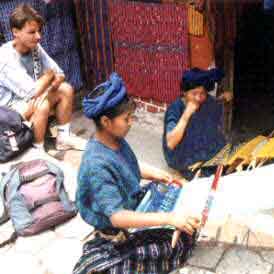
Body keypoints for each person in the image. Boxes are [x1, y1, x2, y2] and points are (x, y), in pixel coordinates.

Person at [74, 73, 200, 274]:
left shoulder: (114, 139)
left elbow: (128, 166)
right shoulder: (96, 164)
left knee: (181, 207)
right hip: (116, 225)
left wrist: (156, 174)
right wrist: (168, 219)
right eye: (126, 118)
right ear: (106, 121)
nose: (131, 122)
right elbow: (117, 217)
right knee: (177, 244)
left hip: (131, 201)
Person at [0, 4, 86, 151]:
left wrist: (50, 81)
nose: (38, 37)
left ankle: (63, 138)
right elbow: (32, 90)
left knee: (65, 89)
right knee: (43, 105)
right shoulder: (5, 58)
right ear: (15, 32)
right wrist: (49, 76)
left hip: (29, 97)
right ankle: (37, 150)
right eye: (32, 32)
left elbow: (59, 73)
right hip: (8, 112)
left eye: (39, 31)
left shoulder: (34, 47)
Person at [163, 67, 232, 179]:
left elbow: (214, 104)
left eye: (202, 93)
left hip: (199, 142)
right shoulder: (175, 108)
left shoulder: (207, 101)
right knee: (206, 176)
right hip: (182, 151)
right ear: (184, 92)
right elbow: (170, 143)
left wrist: (223, 99)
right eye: (194, 93)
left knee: (228, 161)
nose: (198, 98)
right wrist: (186, 114)